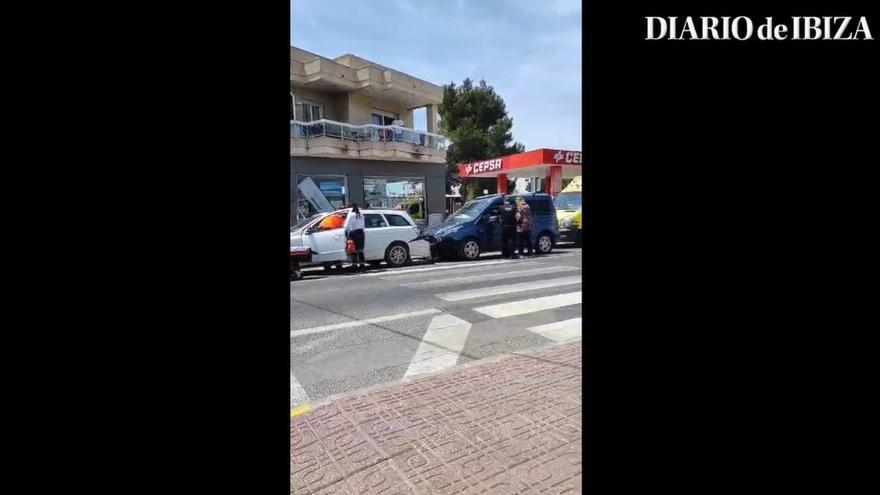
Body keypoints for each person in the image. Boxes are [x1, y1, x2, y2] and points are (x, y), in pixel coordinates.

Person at [344, 203, 366, 272]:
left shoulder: (351, 215)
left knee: (353, 250)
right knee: (360, 250)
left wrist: (346, 234)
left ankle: (355, 266)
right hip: (361, 233)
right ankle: (362, 266)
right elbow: (363, 225)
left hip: (354, 233)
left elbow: (346, 225)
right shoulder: (361, 215)